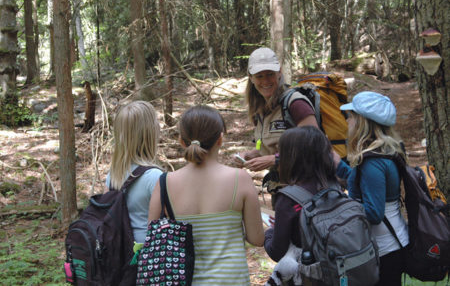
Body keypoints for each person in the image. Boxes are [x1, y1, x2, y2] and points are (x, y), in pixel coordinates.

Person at [148, 105, 265, 285]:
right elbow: (257, 239)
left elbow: (151, 240)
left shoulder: (165, 182)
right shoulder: (239, 179)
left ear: (181, 141)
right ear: (220, 139)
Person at [333, 91, 408, 286]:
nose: (347, 122)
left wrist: (340, 206)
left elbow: (374, 213)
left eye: (350, 117)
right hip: (392, 243)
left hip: (385, 250)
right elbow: (369, 186)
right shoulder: (385, 152)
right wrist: (339, 166)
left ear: (362, 122)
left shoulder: (372, 162)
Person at [234, 47, 318, 201]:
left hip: (307, 191)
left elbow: (315, 145)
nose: (265, 81)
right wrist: (253, 154)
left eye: (270, 74)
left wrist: (274, 159)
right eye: (259, 76)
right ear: (251, 78)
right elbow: (271, 146)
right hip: (281, 189)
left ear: (279, 72)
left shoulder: (295, 103)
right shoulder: (260, 109)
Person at [264, 126, 337, 285]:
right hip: (336, 271)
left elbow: (277, 251)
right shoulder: (333, 186)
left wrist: (269, 233)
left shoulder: (288, 199)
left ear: (290, 158)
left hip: (308, 277)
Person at [106, 100, 163, 244]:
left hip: (119, 254)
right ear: (149, 132)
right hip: (146, 256)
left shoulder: (113, 175)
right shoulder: (155, 177)